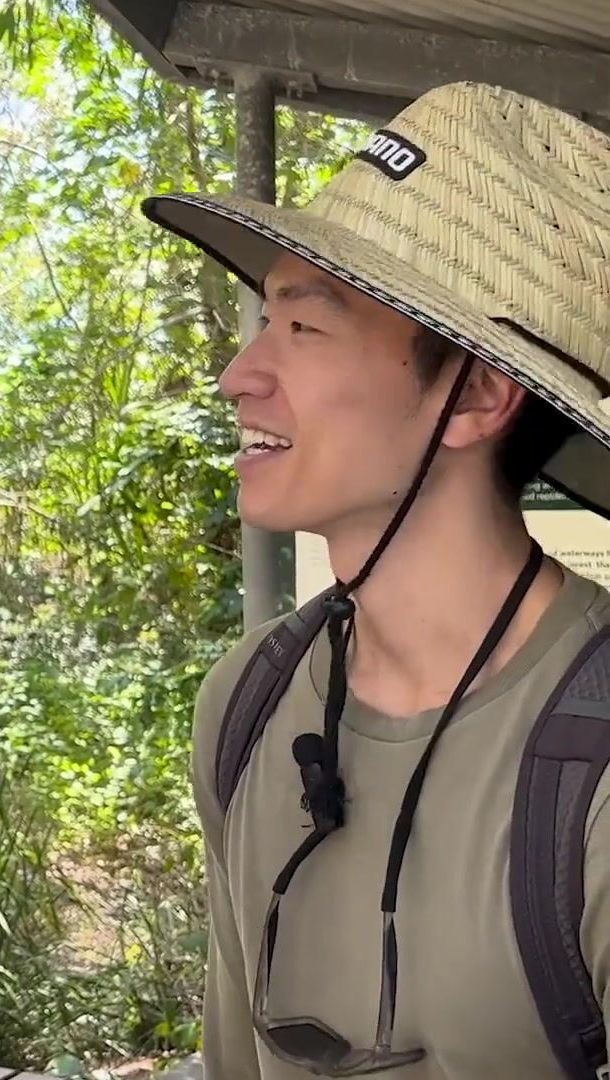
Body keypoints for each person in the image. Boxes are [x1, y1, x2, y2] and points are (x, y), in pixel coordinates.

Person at [141, 81, 610, 1078]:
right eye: (263, 320)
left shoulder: (595, 762)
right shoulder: (249, 701)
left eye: (304, 329)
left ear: (476, 394)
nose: (239, 376)